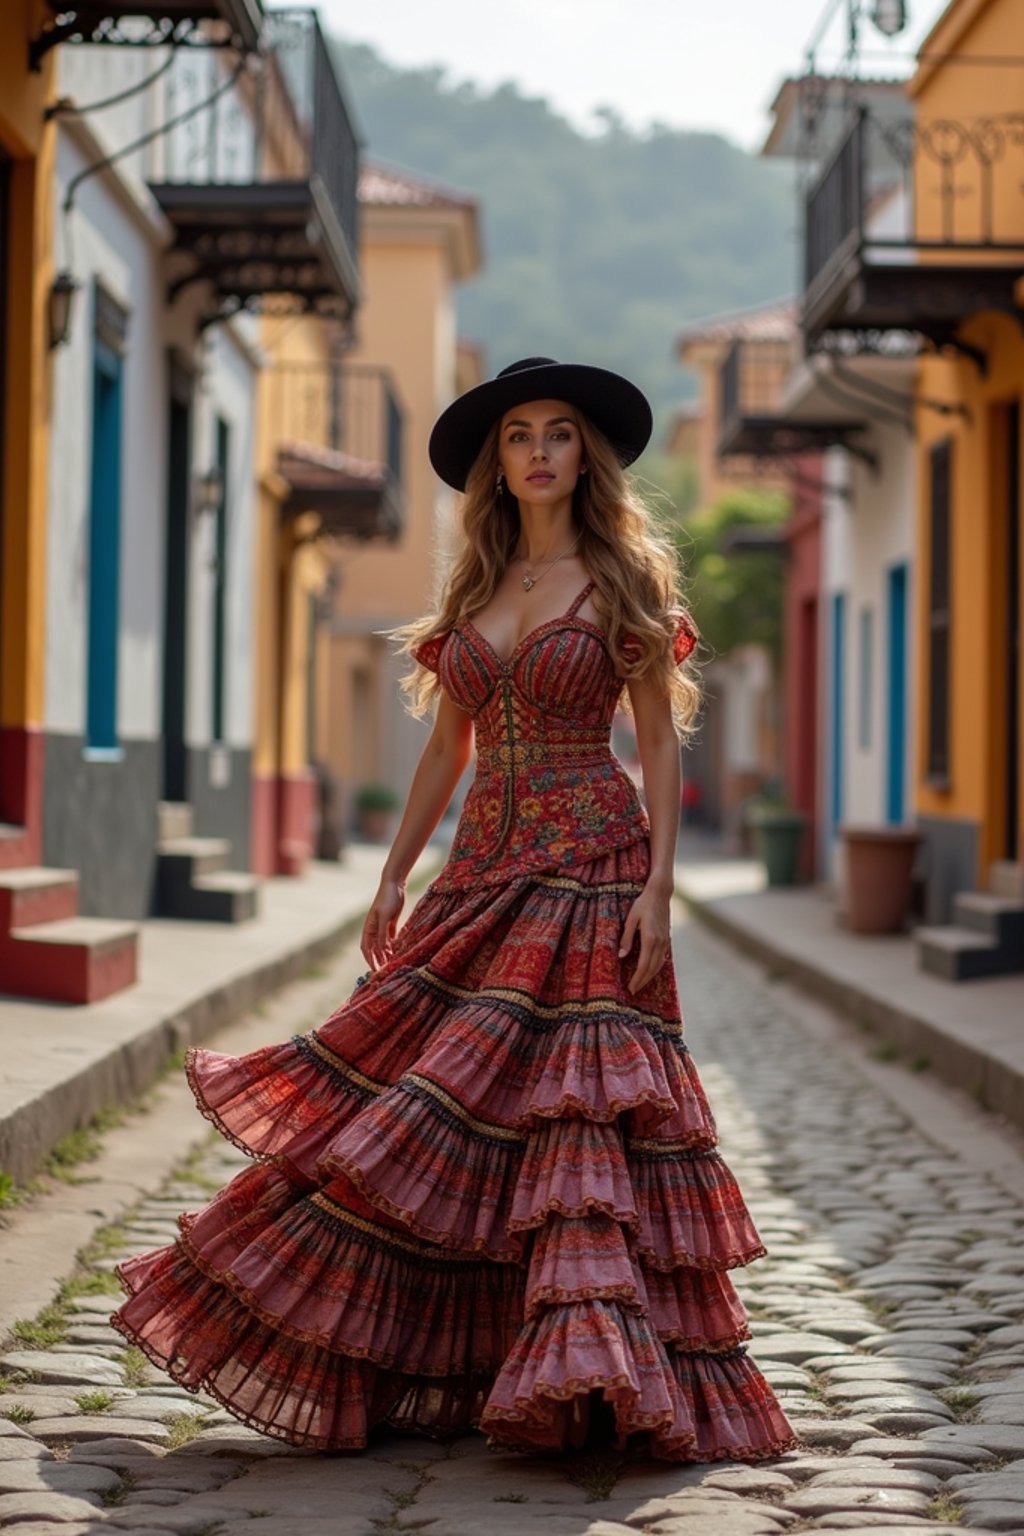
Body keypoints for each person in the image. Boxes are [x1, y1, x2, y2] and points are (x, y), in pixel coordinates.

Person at [111, 357, 796, 1463]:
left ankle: (595, 1377)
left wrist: (660, 889)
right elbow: (446, 747)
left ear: (586, 456)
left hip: (594, 863)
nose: (536, 451)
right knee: (434, 1105)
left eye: (558, 433)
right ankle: (454, 1360)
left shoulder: (620, 583)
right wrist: (392, 873)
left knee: (571, 1111)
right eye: (517, 434)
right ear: (497, 464)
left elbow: (660, 747)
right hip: (478, 865)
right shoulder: (472, 593)